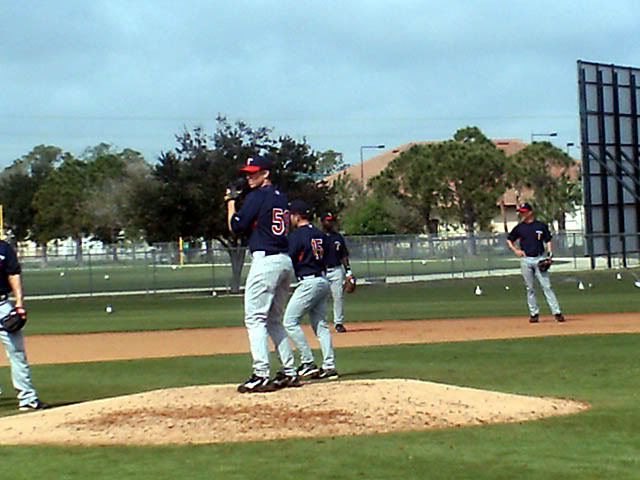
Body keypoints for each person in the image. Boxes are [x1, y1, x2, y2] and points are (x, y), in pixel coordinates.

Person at [226, 155, 299, 393]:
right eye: (247, 173)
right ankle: (289, 371)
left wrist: (230, 203)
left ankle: (261, 374)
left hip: (266, 260)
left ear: (266, 173)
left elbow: (236, 227)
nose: (249, 177)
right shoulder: (282, 197)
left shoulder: (257, 196)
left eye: (254, 172)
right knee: (274, 320)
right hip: (284, 261)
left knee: (255, 319)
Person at [283, 200, 338, 380]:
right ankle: (329, 365)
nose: (290, 218)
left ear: (297, 216)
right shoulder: (320, 234)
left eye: (291, 215)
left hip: (308, 281)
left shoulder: (297, 236)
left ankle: (308, 362)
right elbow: (330, 259)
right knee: (321, 325)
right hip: (323, 279)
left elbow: (288, 259)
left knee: (289, 321)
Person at [0, 239, 49, 410]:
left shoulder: (3, 248)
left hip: (2, 306)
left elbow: (13, 274)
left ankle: (27, 398)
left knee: (17, 352)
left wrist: (19, 303)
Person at [506, 202, 565, 323]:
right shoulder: (520, 227)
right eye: (521, 212)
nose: (522, 214)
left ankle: (557, 312)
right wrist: (516, 250)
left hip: (539, 258)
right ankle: (534, 314)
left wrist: (550, 254)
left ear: (530, 212)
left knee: (547, 286)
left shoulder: (540, 226)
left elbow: (548, 240)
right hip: (526, 259)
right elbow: (509, 239)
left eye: (524, 212)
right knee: (530, 288)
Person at [320, 212, 353, 333]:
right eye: (327, 220)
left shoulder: (338, 237)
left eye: (331, 220)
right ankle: (321, 323)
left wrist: (348, 271)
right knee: (320, 299)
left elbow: (343, 255)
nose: (330, 223)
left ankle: (338, 323)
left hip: (336, 270)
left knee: (338, 297)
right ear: (322, 222)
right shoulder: (318, 237)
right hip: (322, 271)